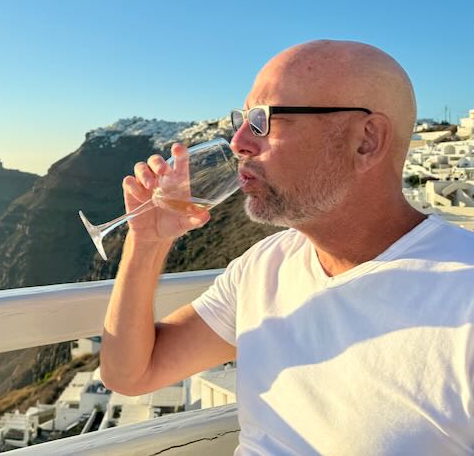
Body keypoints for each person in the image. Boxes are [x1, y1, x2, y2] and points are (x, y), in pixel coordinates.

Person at [99, 40, 474, 455]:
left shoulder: (462, 296)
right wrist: (147, 242)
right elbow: (130, 374)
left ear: (366, 140)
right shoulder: (264, 267)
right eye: (241, 119)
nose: (239, 141)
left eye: (263, 120)